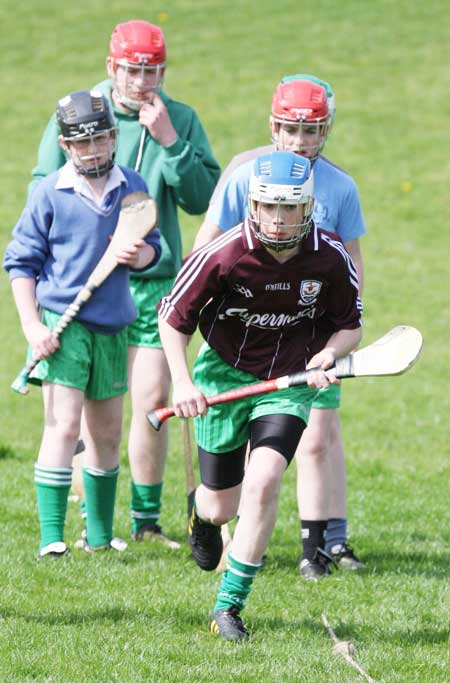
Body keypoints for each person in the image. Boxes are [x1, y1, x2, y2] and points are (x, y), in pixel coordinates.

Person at [157, 150, 362, 639]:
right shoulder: (224, 254)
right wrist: (182, 383)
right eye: (268, 205)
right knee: (219, 507)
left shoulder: (329, 257)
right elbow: (171, 318)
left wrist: (327, 356)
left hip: (288, 384)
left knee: (266, 477)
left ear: (308, 207)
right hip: (224, 377)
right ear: (252, 204)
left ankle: (228, 608)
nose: (277, 217)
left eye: (289, 207)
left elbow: (349, 327)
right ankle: (200, 516)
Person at [30, 20, 221, 546]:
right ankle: (85, 520)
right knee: (90, 405)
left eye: (153, 71)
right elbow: (42, 185)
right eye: (133, 70)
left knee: (153, 396)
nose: (144, 81)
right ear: (112, 67)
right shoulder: (82, 114)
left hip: (155, 281)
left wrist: (171, 142)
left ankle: (145, 521)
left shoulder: (178, 118)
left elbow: (202, 198)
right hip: (92, 287)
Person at [193, 75, 366, 579]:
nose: (300, 140)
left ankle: (317, 548)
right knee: (243, 453)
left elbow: (352, 269)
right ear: (273, 124)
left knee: (314, 439)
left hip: (313, 340)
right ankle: (233, 533)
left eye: (311, 130)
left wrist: (345, 335)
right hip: (247, 336)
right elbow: (208, 245)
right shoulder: (244, 172)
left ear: (326, 129)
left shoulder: (341, 186)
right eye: (290, 129)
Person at [3, 90, 161, 557]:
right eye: (81, 144)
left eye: (101, 140)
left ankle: (98, 536)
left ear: (114, 137)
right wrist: (32, 326)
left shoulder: (130, 185)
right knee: (63, 425)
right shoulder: (50, 192)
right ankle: (52, 536)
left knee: (107, 432)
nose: (93, 151)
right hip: (63, 324)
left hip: (113, 327)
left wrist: (141, 254)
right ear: (66, 146)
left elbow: (154, 249)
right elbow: (20, 263)